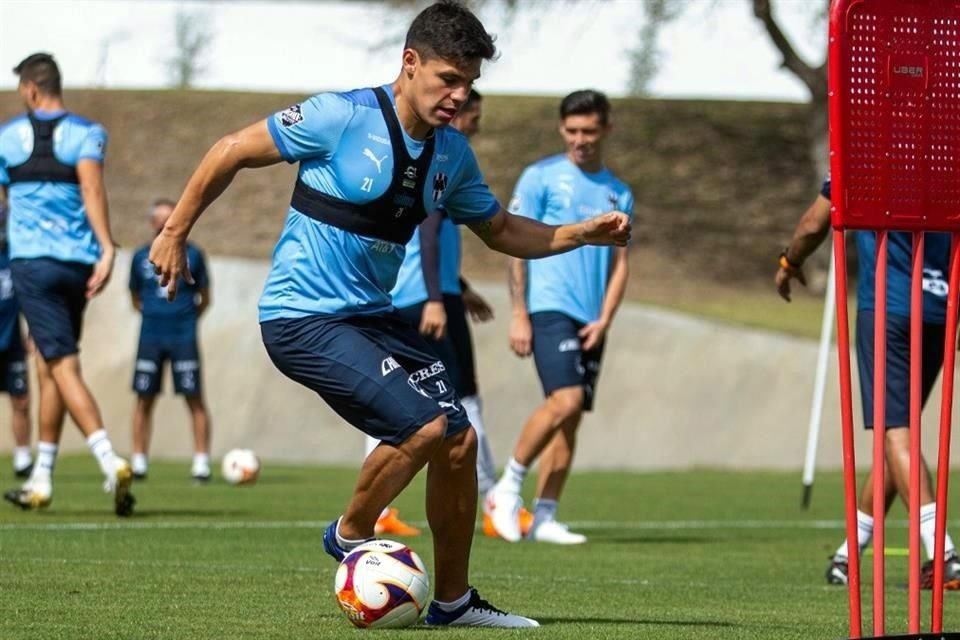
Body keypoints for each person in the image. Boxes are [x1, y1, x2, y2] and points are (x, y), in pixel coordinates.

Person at [148, 1, 629, 628]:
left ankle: (453, 603)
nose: (459, 95)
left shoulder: (451, 156)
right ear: (410, 63)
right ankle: (349, 534)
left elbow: (503, 229)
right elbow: (230, 149)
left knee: (458, 441)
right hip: (302, 318)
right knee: (426, 427)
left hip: (372, 319)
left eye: (469, 83)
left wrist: (579, 234)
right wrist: (175, 231)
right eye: (448, 79)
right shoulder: (339, 116)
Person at [776, 175, 960, 589]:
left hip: (888, 310)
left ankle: (943, 553)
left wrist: (789, 263)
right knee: (895, 440)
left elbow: (811, 225)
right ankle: (849, 555)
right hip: (939, 310)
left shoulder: (866, 158)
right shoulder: (945, 157)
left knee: (896, 432)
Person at [370, 89, 532, 538]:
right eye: (472, 117)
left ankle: (382, 508)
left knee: (395, 400)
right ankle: (492, 502)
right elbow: (427, 229)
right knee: (462, 396)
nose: (474, 125)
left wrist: (459, 287)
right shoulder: (441, 159)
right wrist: (439, 299)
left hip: (420, 295)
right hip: (426, 301)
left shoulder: (432, 158)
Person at [486, 90, 633, 545]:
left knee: (570, 421)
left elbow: (621, 262)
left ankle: (545, 516)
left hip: (590, 318)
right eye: (572, 131)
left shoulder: (619, 191)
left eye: (589, 131)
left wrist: (606, 318)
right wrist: (518, 313)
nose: (580, 140)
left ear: (605, 129)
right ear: (561, 129)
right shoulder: (540, 177)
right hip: (549, 307)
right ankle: (506, 489)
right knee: (564, 401)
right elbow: (514, 244)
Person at [0, 52, 134, 515]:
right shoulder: (88, 133)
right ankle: (41, 477)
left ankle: (108, 457)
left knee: (61, 364)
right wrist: (107, 248)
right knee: (47, 364)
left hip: (33, 267)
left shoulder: (6, 138)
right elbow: (92, 190)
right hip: (77, 266)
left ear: (31, 89)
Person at [129, 198, 212, 482]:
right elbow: (135, 296)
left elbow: (206, 297)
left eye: (170, 218)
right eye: (160, 219)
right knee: (144, 398)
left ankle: (201, 463)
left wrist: (186, 318)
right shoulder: (140, 256)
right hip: (150, 336)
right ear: (152, 223)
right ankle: (139, 461)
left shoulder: (194, 255)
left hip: (183, 336)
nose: (165, 224)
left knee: (194, 397)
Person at [0, 199, 31, 478]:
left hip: (12, 344)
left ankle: (23, 458)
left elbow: (30, 298)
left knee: (21, 400)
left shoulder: (16, 257)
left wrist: (33, 331)